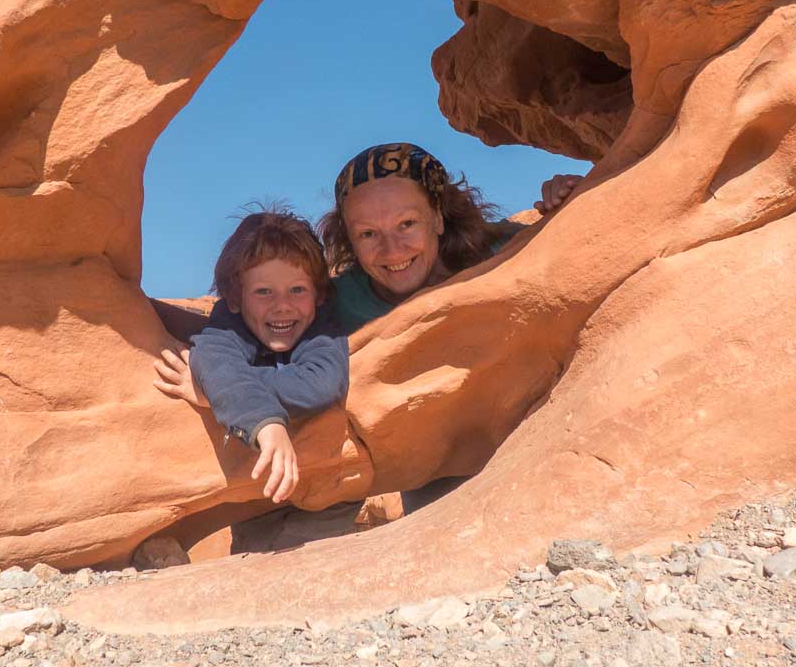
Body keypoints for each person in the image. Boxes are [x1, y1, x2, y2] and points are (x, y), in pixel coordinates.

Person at [318, 142, 581, 510]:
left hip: (539, 446)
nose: (392, 250)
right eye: (367, 234)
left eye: (407, 224)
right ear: (348, 238)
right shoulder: (336, 304)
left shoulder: (503, 254)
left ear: (439, 218)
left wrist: (574, 198)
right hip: (437, 478)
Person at [153, 207, 349, 504]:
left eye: (297, 289)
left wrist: (215, 394)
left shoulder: (322, 326)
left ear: (319, 295)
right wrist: (265, 423)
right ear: (234, 298)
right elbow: (213, 359)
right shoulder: (229, 323)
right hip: (250, 498)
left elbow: (321, 383)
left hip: (331, 493)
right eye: (263, 292)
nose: (282, 305)